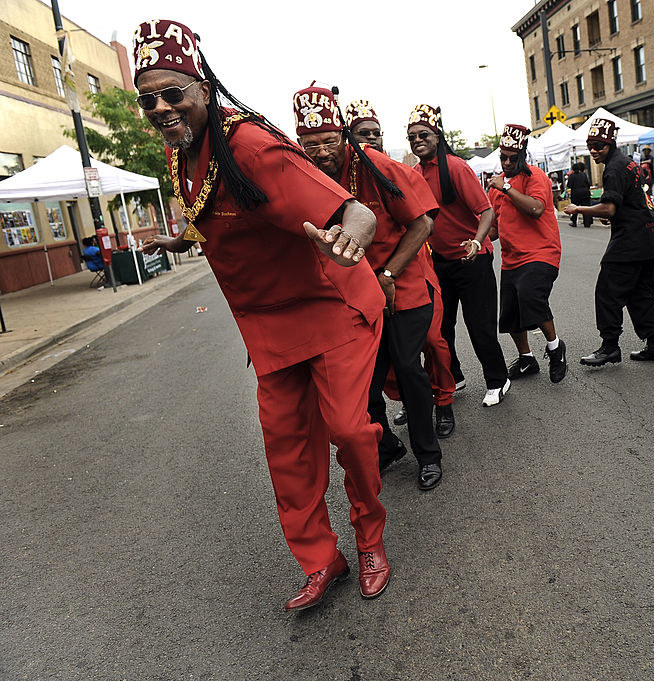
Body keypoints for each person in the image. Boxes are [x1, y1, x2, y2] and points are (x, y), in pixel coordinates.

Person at [133, 19, 390, 609]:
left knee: (351, 433)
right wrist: (184, 240)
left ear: (203, 86)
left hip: (331, 310)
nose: (162, 107)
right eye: (149, 99)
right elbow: (222, 220)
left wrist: (353, 233)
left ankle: (370, 538)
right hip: (269, 330)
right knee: (287, 451)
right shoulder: (185, 156)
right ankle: (322, 560)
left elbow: (353, 213)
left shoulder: (248, 145)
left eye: (173, 92)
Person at [293, 84, 445, 491]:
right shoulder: (304, 176)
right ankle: (387, 448)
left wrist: (388, 275)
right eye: (310, 144)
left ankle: (428, 455)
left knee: (409, 368)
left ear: (342, 135)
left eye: (328, 141)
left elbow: (423, 223)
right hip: (354, 301)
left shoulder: (376, 166)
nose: (321, 151)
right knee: (362, 384)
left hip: (402, 288)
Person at [343, 100, 457, 439]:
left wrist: (390, 273)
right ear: (347, 136)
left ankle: (445, 401)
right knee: (393, 363)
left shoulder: (390, 170)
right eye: (363, 133)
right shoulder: (338, 174)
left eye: (377, 134)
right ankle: (414, 401)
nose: (372, 139)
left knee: (433, 343)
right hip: (369, 286)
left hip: (411, 276)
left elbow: (424, 223)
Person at [408, 104, 511, 406]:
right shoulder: (414, 174)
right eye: (412, 136)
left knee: (479, 326)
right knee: (441, 329)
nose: (417, 141)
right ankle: (454, 376)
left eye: (423, 134)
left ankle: (498, 379)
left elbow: (487, 211)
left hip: (474, 260)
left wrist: (477, 243)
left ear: (437, 135)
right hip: (440, 263)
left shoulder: (456, 167)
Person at [565, 119, 654, 366]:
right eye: (590, 145)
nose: (593, 150)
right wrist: (611, 213)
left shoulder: (613, 168)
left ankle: (609, 346)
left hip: (632, 240)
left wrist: (578, 208)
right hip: (649, 237)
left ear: (610, 143)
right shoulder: (628, 162)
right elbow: (625, 203)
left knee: (607, 292)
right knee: (640, 293)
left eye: (599, 145)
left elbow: (609, 208)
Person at [485, 124, 567, 383]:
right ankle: (527, 359)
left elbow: (536, 209)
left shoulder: (535, 176)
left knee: (531, 296)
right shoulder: (495, 188)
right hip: (511, 260)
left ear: (522, 156)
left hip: (541, 253)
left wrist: (506, 188)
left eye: (512, 157)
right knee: (510, 314)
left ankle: (556, 349)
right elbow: (495, 230)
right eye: (503, 157)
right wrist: (475, 240)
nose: (507, 162)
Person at [566, 162, 593, 228]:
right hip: (585, 193)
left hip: (576, 194)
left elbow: (569, 185)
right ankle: (587, 223)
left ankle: (574, 222)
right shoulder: (583, 175)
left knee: (575, 208)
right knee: (586, 208)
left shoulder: (572, 176)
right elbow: (588, 184)